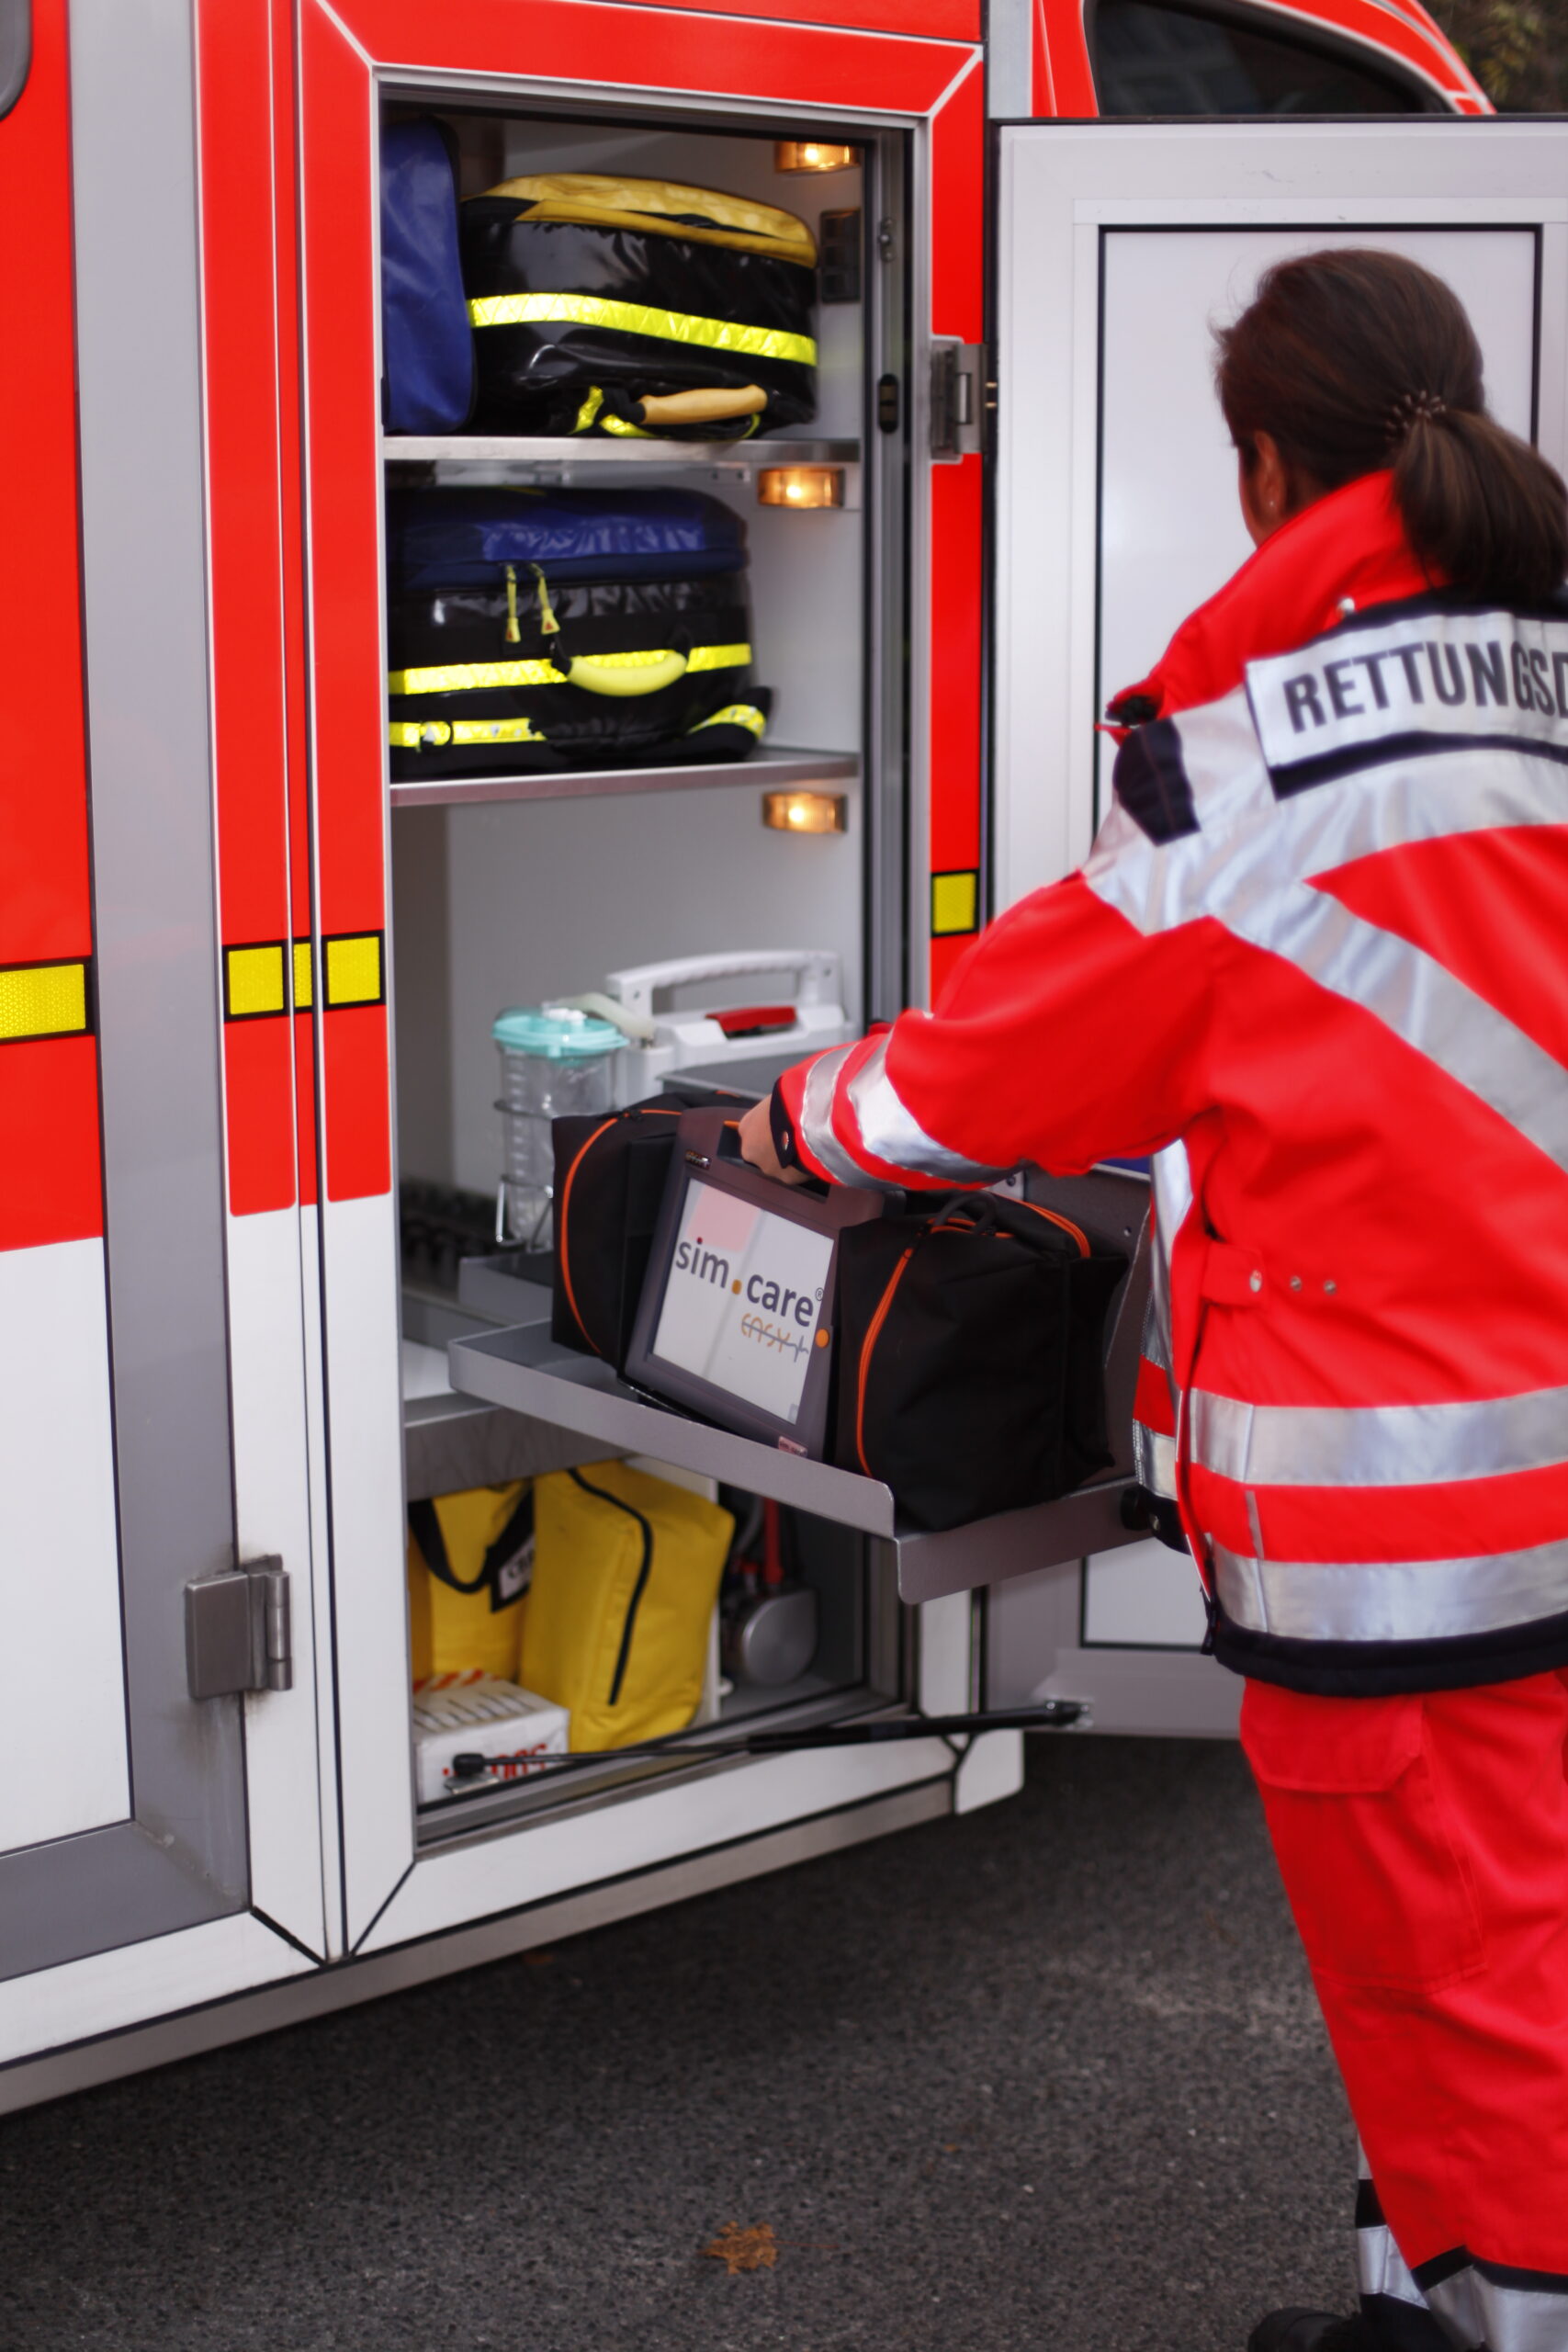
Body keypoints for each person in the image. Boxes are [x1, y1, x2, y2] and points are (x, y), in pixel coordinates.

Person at [739, 248, 1568, 2352]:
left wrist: (796, 1117)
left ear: (1263, 465)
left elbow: (985, 1075)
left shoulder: (1258, 776)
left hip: (1406, 1547)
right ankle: (1416, 2300)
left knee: (1455, 1991)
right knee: (1519, 1961)